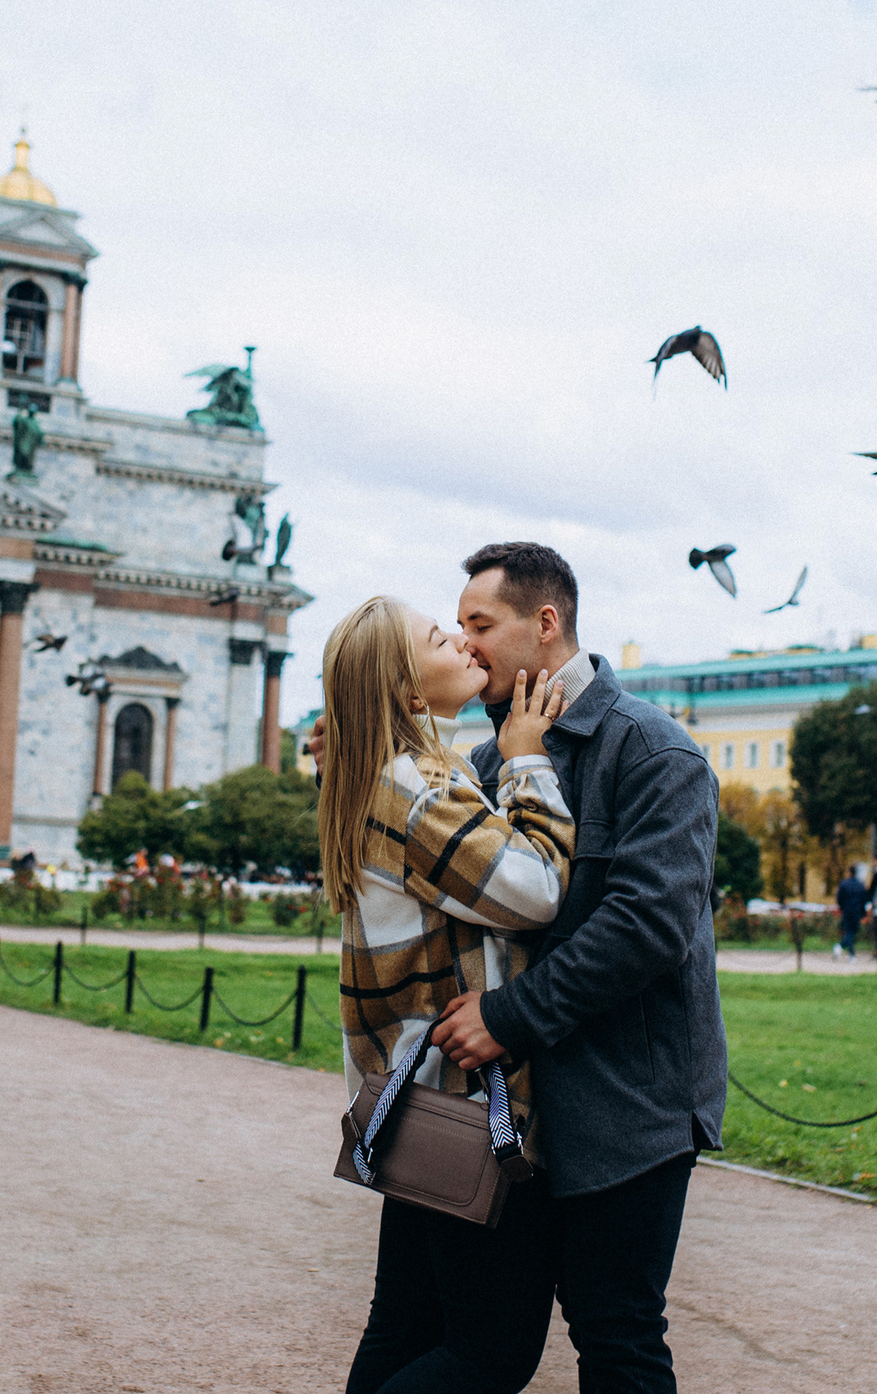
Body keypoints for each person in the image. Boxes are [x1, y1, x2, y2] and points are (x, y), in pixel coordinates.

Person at [438, 542, 725, 1393]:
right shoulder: (487, 763)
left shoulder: (653, 752)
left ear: (545, 622)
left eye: (480, 623)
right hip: (514, 1110)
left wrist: (506, 1017)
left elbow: (648, 926)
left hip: (627, 1108)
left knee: (617, 1336)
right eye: (457, 626)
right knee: (486, 1346)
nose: (465, 644)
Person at [320, 595, 577, 1394]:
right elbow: (536, 891)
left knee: (405, 1326)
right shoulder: (420, 790)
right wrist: (528, 760)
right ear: (407, 690)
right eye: (441, 638)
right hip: (465, 1101)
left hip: (414, 1100)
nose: (464, 642)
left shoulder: (385, 777)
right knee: (492, 1353)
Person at [833, 863, 868, 962]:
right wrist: (863, 913)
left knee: (848, 932)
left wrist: (842, 907)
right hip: (857, 911)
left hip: (847, 911)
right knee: (852, 932)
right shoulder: (861, 885)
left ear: (849, 872)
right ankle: (844, 949)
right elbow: (864, 899)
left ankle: (849, 953)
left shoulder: (844, 884)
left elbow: (839, 898)